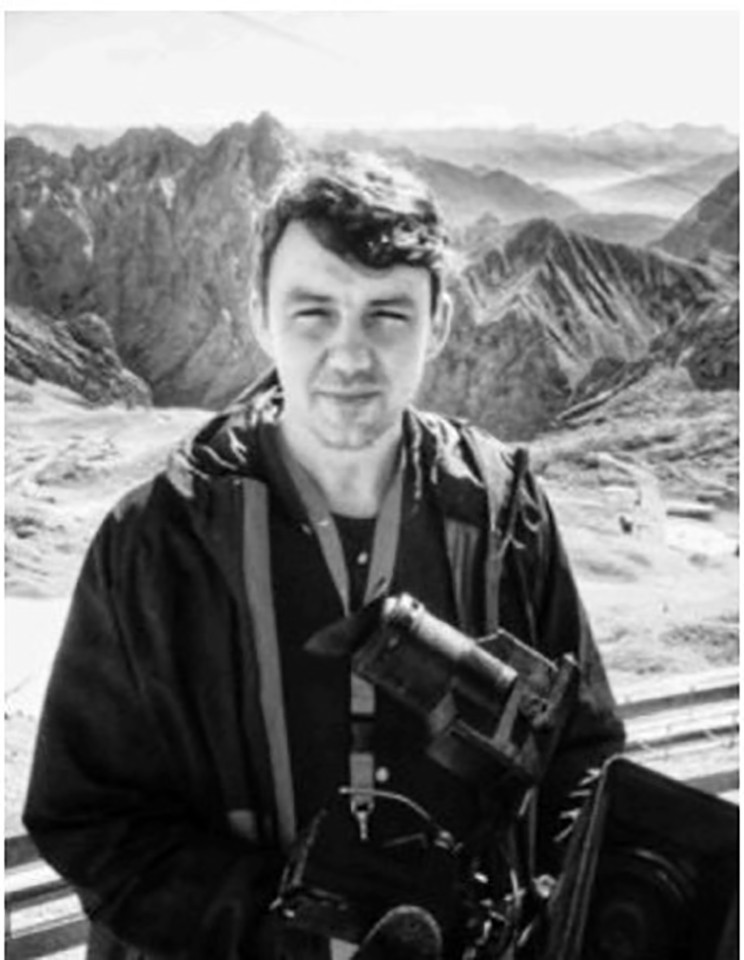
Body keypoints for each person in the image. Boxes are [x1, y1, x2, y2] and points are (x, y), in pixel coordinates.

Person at [23, 153, 625, 960]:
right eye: (313, 313)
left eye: (388, 314)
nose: (350, 355)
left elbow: (582, 757)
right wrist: (280, 928)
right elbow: (89, 816)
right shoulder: (159, 541)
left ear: (441, 321)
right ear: (260, 317)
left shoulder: (505, 516)